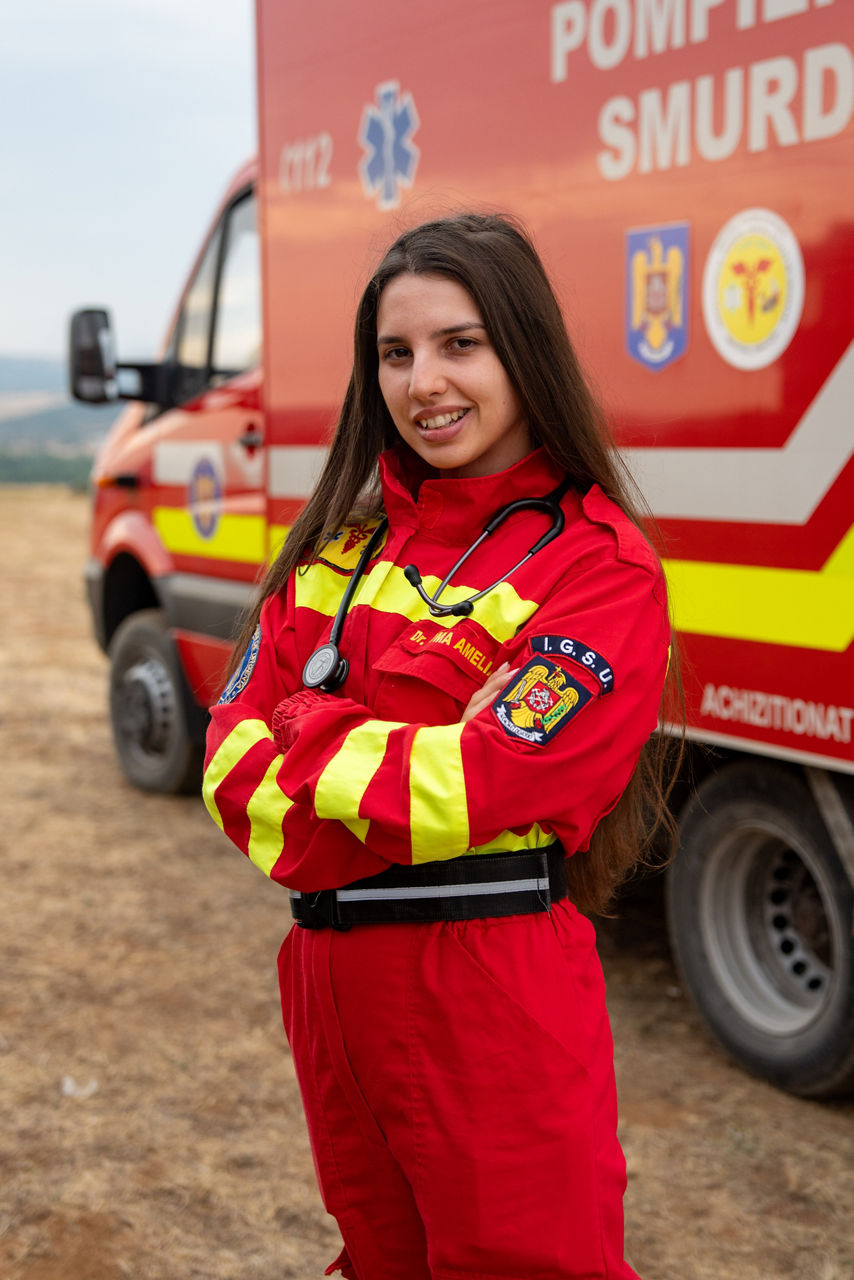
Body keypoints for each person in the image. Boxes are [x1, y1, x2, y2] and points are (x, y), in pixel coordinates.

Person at [203, 212, 675, 1280]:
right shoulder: (336, 548)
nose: (425, 381)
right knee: (375, 1259)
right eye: (395, 352)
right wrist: (393, 769)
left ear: (523, 346)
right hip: (328, 984)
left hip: (486, 990)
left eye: (460, 343)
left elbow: (469, 786)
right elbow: (229, 774)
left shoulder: (598, 570)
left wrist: (311, 726)